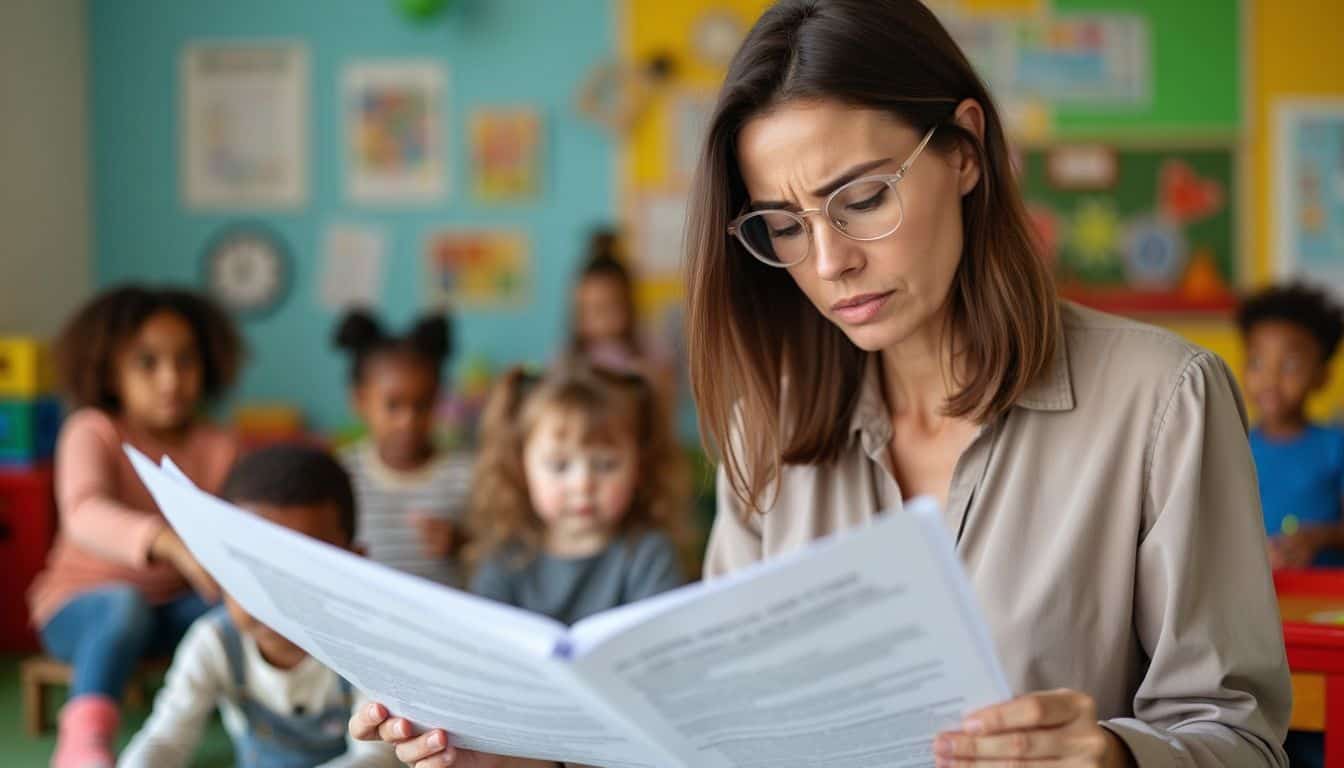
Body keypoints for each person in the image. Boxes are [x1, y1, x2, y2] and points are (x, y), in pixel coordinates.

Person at [352, 2, 1290, 766]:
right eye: (785, 225)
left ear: (965, 150)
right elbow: (711, 730)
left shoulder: (1165, 400)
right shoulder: (768, 422)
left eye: (864, 198)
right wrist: (520, 752)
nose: (831, 261)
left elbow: (1241, 736)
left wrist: (1116, 758)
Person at [29, 285, 244, 768]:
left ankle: (259, 723)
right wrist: (167, 543)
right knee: (123, 607)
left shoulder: (219, 444)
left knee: (234, 615)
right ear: (109, 370)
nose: (171, 380)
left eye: (186, 361)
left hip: (172, 608)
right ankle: (83, 741)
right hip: (82, 609)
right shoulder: (92, 430)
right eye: (147, 363)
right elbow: (83, 513)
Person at [119, 444, 398, 767]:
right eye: (250, 572)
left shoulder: (368, 650)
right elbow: (165, 739)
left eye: (304, 571)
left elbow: (376, 759)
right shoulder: (215, 642)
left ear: (354, 569)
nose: (274, 601)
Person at [466, 366, 688, 625]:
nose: (583, 485)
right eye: (559, 466)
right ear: (520, 468)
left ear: (639, 467)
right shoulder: (504, 560)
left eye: (605, 465)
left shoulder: (649, 555)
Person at [334, 309, 473, 587]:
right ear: (360, 400)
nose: (408, 420)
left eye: (422, 404)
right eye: (393, 405)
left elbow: (497, 559)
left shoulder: (468, 475)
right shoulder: (340, 474)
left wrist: (462, 544)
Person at [1239, 282, 1344, 570]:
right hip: (1259, 593)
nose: (1270, 379)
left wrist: (1318, 537)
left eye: (1289, 366)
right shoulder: (1235, 446)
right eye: (1257, 362)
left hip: (1324, 595)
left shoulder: (1335, 446)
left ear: (1321, 376)